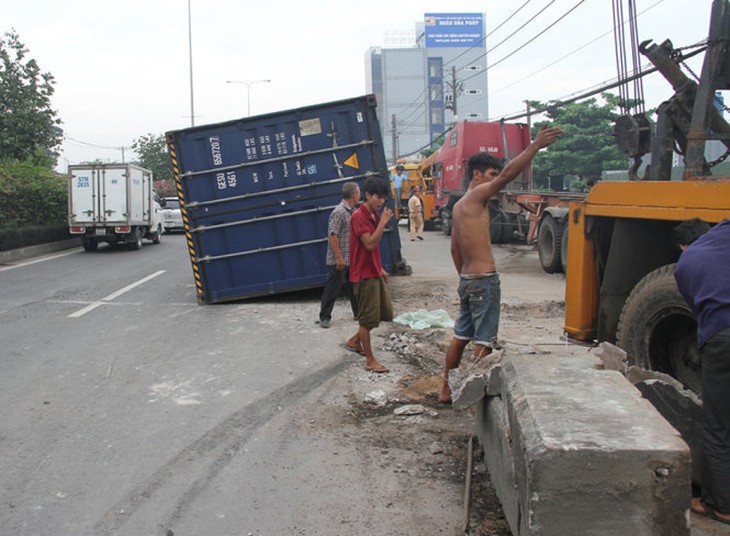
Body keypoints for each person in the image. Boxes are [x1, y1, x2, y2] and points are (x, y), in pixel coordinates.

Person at [439, 126, 563, 403]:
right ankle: (476, 398)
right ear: (477, 175)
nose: (496, 182)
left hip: (469, 280)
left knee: (461, 336)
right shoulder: (477, 196)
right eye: (491, 175)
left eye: (495, 176)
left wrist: (465, 279)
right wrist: (534, 146)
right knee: (483, 342)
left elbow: (454, 248)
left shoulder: (459, 207)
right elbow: (508, 174)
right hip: (484, 280)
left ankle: (446, 389)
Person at [673, 217, 730, 526]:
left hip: (722, 336)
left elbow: (698, 311)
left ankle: (721, 506)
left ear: (684, 245)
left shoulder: (686, 263)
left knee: (719, 424)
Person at [344, 177, 394, 373]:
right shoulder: (359, 216)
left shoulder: (372, 214)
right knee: (366, 320)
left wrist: (380, 269)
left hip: (372, 271)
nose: (381, 202)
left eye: (383, 198)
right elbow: (370, 243)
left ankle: (354, 341)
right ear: (367, 196)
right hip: (363, 276)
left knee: (380, 314)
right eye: (377, 197)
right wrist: (383, 223)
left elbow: (370, 251)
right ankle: (370, 360)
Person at [318, 182, 360, 329]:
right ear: (354, 194)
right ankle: (324, 317)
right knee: (333, 289)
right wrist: (339, 258)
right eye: (358, 192)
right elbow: (332, 235)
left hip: (349, 258)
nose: (359, 194)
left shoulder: (352, 211)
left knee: (354, 287)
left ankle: (358, 313)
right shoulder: (339, 212)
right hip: (339, 260)